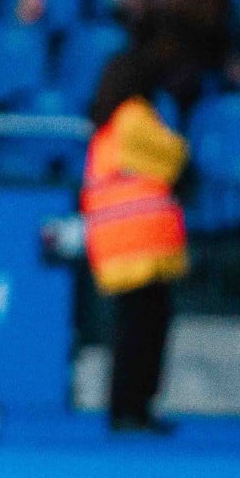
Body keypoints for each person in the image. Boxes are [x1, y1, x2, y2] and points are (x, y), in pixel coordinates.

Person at [81, 44, 187, 435]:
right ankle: (132, 409)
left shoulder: (105, 127)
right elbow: (175, 157)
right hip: (141, 241)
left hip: (114, 241)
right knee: (144, 330)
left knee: (130, 329)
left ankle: (127, 408)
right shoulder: (134, 117)